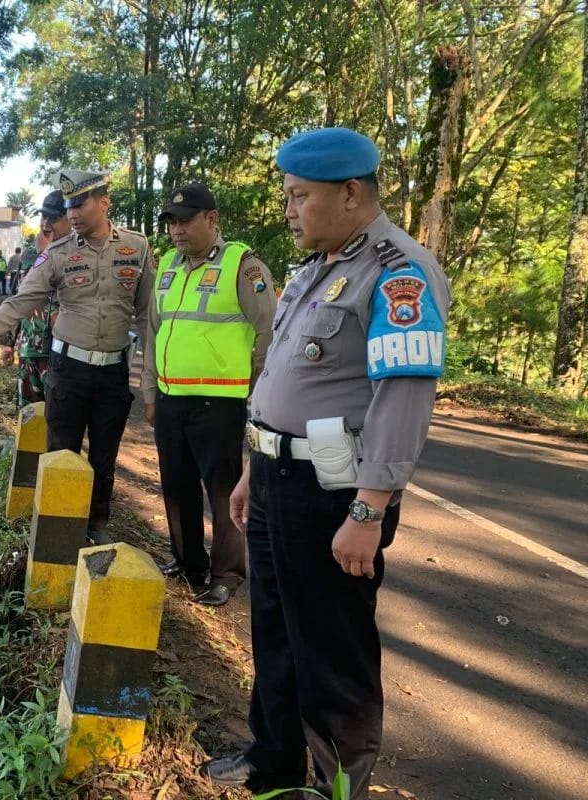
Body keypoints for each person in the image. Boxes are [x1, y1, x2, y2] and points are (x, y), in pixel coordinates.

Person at [204, 128, 450, 799]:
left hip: (335, 491)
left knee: (332, 650)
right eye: (287, 194)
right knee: (277, 630)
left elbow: (402, 398)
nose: (288, 208)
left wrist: (369, 511)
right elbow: (283, 381)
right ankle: (274, 762)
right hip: (278, 479)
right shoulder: (317, 267)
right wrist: (255, 466)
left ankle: (336, 785)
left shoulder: (400, 273)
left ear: (349, 193)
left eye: (298, 195)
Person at [0, 169, 154, 543]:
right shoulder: (58, 254)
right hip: (69, 370)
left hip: (113, 372)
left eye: (80, 203)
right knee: (61, 454)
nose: (72, 212)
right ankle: (59, 535)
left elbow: (147, 317)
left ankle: (96, 526)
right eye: (69, 205)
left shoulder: (136, 249)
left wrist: (150, 387)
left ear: (103, 203)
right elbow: (20, 302)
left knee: (105, 459)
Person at [140, 183, 276, 606]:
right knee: (176, 486)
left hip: (218, 403)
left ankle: (226, 573)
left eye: (186, 221)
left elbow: (269, 332)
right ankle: (187, 561)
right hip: (170, 398)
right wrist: (149, 389)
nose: (177, 231)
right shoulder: (166, 265)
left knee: (223, 493)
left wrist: (256, 389)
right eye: (172, 223)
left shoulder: (243, 266)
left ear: (211, 219)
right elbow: (153, 330)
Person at [0, 190, 72, 405]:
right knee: (28, 415)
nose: (47, 223)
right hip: (29, 348)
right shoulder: (31, 254)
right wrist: (7, 342)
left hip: (62, 354)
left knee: (60, 418)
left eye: (55, 217)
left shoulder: (81, 254)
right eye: (44, 217)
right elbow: (17, 298)